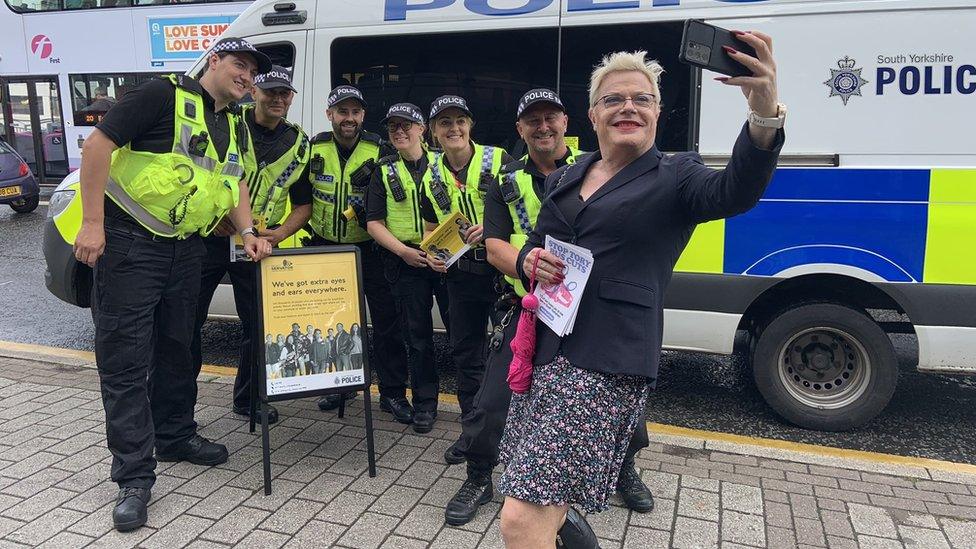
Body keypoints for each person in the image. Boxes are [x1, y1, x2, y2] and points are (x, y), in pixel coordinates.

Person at [498, 38, 785, 548]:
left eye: (641, 98)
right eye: (614, 99)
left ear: (656, 112)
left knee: (523, 514)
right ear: (592, 114)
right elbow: (540, 244)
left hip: (606, 360)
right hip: (545, 348)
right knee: (542, 492)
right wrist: (530, 262)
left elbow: (737, 190)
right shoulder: (567, 175)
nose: (628, 106)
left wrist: (763, 112)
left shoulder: (677, 177)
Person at [72, 36, 273, 532]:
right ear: (213, 60)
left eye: (253, 72)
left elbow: (235, 183)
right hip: (129, 244)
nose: (247, 76)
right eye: (239, 65)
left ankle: (176, 434)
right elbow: (98, 145)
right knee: (125, 360)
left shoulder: (232, 125)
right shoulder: (160, 95)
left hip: (187, 248)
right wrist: (92, 223)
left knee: (179, 345)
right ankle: (134, 476)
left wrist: (247, 230)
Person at [444, 88, 653, 529]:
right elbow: (496, 243)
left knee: (618, 400)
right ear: (520, 129)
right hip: (528, 309)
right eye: (532, 121)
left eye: (550, 118)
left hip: (595, 313)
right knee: (493, 401)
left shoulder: (608, 166)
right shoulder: (504, 180)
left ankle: (623, 469)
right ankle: (480, 476)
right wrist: (524, 262)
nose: (543, 127)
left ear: (567, 122)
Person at [191, 64, 312, 427]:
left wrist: (277, 233)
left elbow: (304, 205)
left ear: (291, 98)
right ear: (254, 92)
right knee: (184, 323)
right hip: (209, 236)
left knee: (259, 327)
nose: (277, 98)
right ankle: (177, 405)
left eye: (284, 93)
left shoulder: (299, 144)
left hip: (256, 246)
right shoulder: (226, 120)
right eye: (270, 91)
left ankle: (249, 400)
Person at [304, 85, 410, 414]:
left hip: (371, 249)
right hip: (326, 247)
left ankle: (392, 393)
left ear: (362, 115)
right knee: (333, 322)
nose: (348, 118)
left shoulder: (379, 148)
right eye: (342, 112)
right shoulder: (314, 146)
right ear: (330, 114)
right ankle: (340, 388)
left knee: (387, 322)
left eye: (355, 112)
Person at [421, 95, 510, 452]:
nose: (453, 128)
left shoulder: (500, 160)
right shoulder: (431, 175)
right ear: (433, 133)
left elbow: (523, 215)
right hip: (461, 278)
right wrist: (433, 256)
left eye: (460, 121)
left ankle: (510, 433)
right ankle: (473, 433)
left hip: (501, 274)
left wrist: (491, 231)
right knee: (466, 356)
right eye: (445, 123)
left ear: (471, 126)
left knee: (509, 357)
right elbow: (430, 228)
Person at [366, 102, 451, 433]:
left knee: (460, 336)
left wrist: (442, 252)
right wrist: (403, 252)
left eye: (406, 125)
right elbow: (374, 223)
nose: (399, 132)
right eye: (393, 128)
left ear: (422, 129)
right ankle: (425, 404)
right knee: (417, 338)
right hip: (406, 261)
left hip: (445, 259)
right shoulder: (384, 170)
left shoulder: (444, 165)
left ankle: (474, 405)